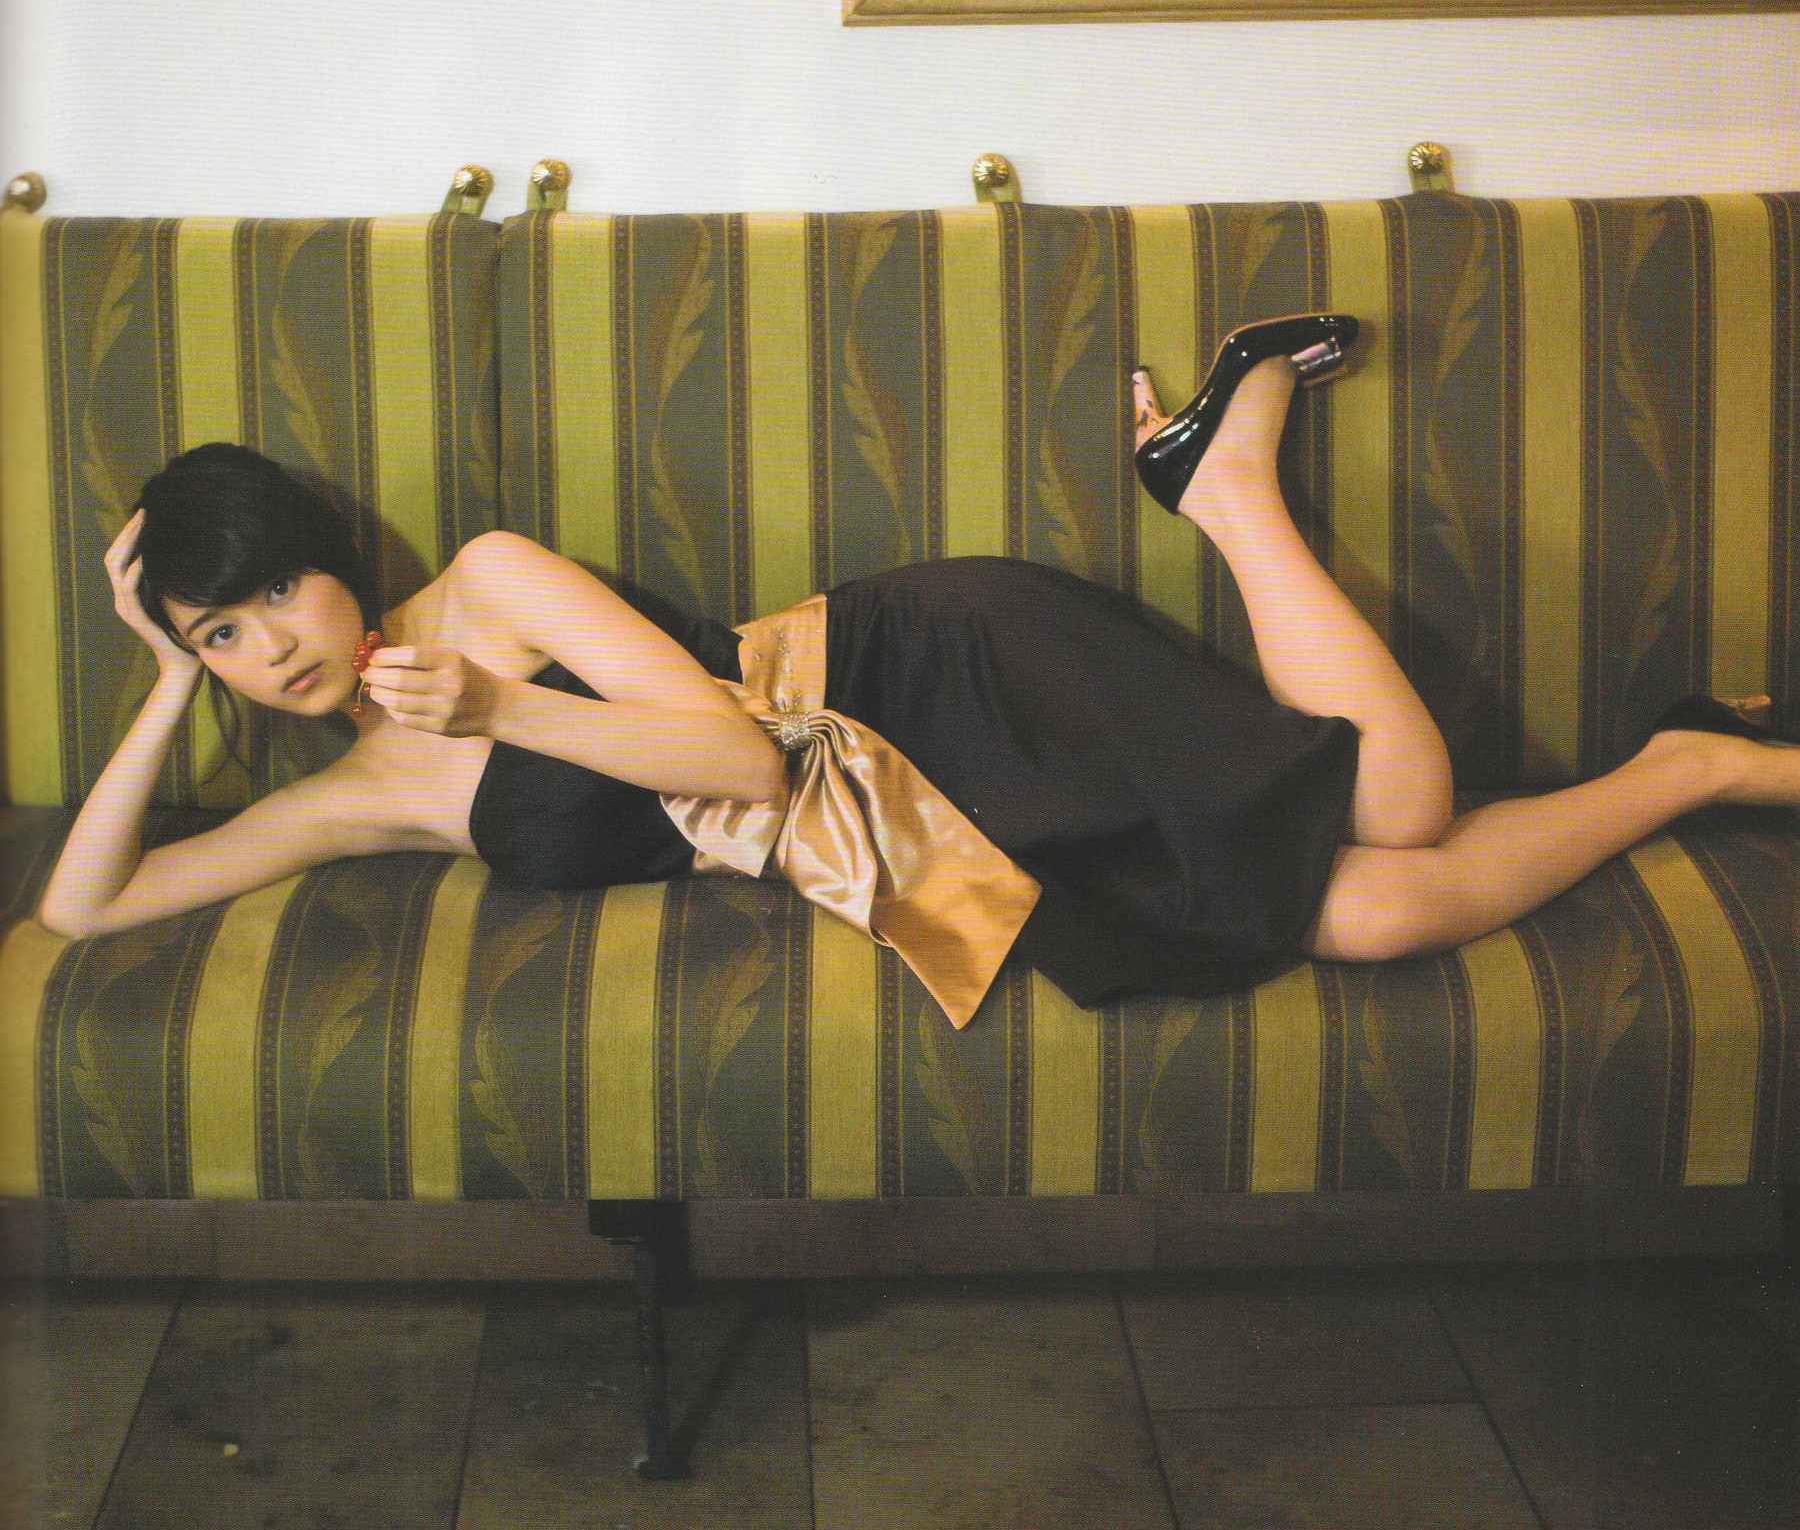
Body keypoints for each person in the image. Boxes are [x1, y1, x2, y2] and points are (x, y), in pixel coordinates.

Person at [40, 318, 1798, 1022]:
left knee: (1404, 806)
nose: (276, 647)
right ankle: (1688, 767)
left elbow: (739, 759)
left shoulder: (488, 592)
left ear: (330, 558)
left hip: (931, 676)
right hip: (900, 844)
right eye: (223, 636)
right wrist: (160, 687)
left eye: (275, 596)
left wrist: (503, 708)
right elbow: (84, 909)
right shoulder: (354, 797)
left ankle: (1231, 487)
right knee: (1384, 910)